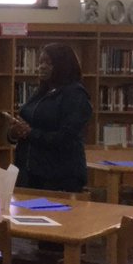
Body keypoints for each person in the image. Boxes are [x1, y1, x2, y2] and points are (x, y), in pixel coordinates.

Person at [7, 43, 93, 192]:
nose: (42, 66)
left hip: (59, 176)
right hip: (29, 172)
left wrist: (30, 133)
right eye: (40, 62)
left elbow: (66, 137)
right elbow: (25, 120)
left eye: (48, 63)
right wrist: (13, 133)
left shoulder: (75, 95)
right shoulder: (42, 92)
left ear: (62, 65)